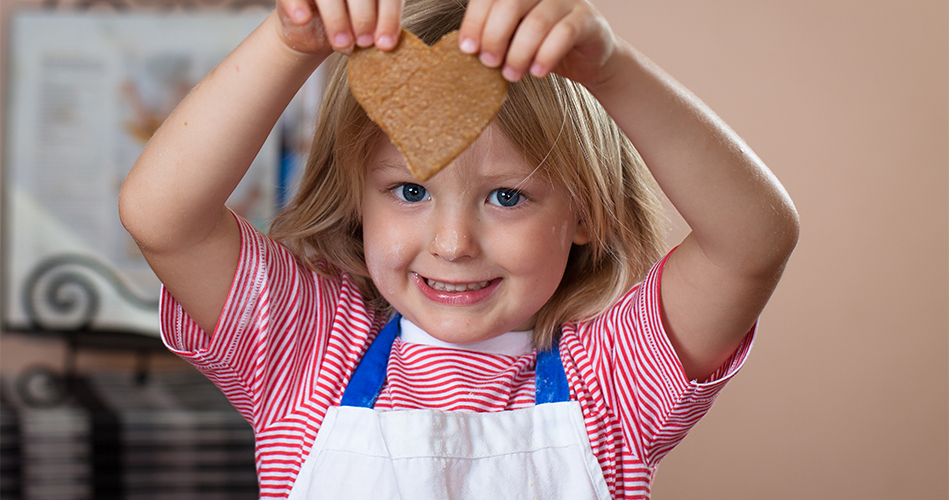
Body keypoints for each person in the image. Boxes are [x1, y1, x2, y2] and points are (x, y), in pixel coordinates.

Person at [119, 0, 799, 497]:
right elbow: (163, 218)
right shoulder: (309, 355)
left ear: (586, 213)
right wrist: (289, 40)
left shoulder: (611, 383)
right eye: (410, 192)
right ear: (358, 199)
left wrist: (610, 70)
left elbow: (751, 243)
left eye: (506, 197)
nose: (451, 244)